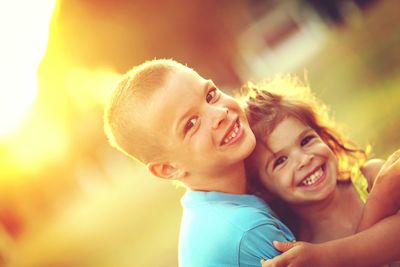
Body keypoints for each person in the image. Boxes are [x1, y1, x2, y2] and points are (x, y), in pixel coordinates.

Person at [103, 59, 295, 267]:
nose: (220, 113)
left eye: (210, 95)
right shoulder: (246, 230)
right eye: (191, 124)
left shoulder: (209, 209)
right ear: (169, 168)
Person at [242, 76, 400, 266]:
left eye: (306, 140)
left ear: (323, 136)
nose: (304, 159)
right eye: (281, 161)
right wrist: (381, 201)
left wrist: (379, 197)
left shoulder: (371, 178)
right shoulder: (302, 249)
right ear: (263, 189)